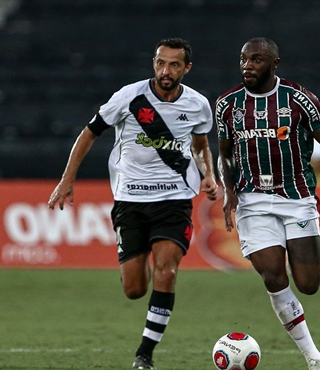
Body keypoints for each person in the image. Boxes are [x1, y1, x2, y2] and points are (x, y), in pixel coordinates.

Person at [47, 38, 218, 370]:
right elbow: (89, 133)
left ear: (187, 68)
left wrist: (208, 174)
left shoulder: (198, 104)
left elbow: (200, 144)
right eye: (160, 63)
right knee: (134, 289)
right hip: (131, 201)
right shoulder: (129, 97)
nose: (165, 71)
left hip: (174, 199)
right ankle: (150, 269)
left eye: (173, 65)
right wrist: (68, 179)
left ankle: (144, 354)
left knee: (166, 272)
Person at [215, 37, 320, 370]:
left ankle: (296, 295)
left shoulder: (299, 99)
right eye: (244, 59)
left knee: (308, 285)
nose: (248, 65)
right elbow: (224, 155)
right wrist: (228, 188)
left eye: (257, 60)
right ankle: (314, 358)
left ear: (274, 64)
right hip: (253, 201)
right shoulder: (228, 104)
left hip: (298, 199)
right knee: (273, 276)